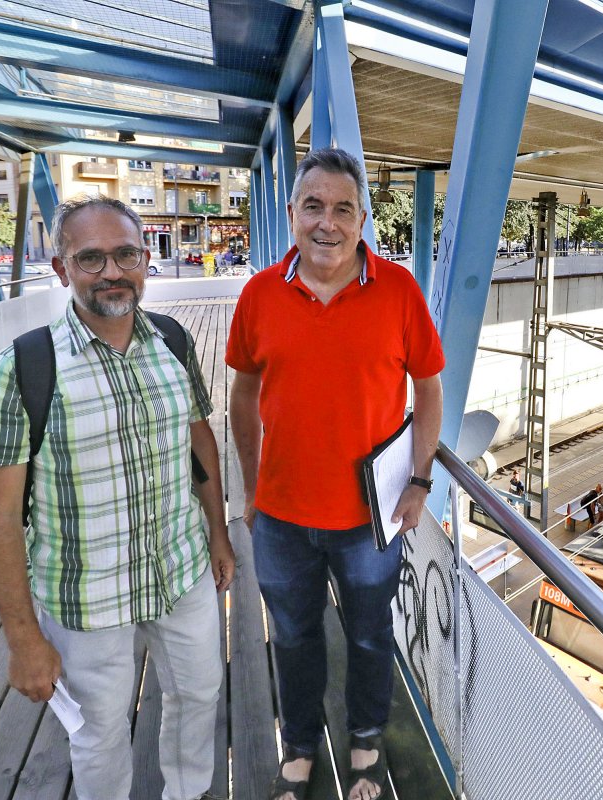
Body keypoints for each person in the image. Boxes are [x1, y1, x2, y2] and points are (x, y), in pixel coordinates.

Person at [0, 195, 234, 800]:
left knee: (199, 697)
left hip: (180, 569)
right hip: (86, 595)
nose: (112, 271)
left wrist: (218, 533)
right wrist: (23, 638)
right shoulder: (23, 368)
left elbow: (199, 442)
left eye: (125, 255)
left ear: (145, 261)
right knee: (100, 732)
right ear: (61, 270)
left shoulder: (171, 340)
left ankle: (186, 794)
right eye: (91, 259)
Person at [226, 148, 445, 800]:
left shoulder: (399, 290)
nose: (327, 223)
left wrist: (420, 479)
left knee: (373, 638)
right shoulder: (260, 294)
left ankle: (366, 742)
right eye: (313, 207)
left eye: (342, 209)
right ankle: (298, 747)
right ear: (292, 214)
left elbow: (429, 391)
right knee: (292, 638)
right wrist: (250, 483)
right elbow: (242, 395)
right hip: (283, 517)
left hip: (368, 521)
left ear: (363, 219)